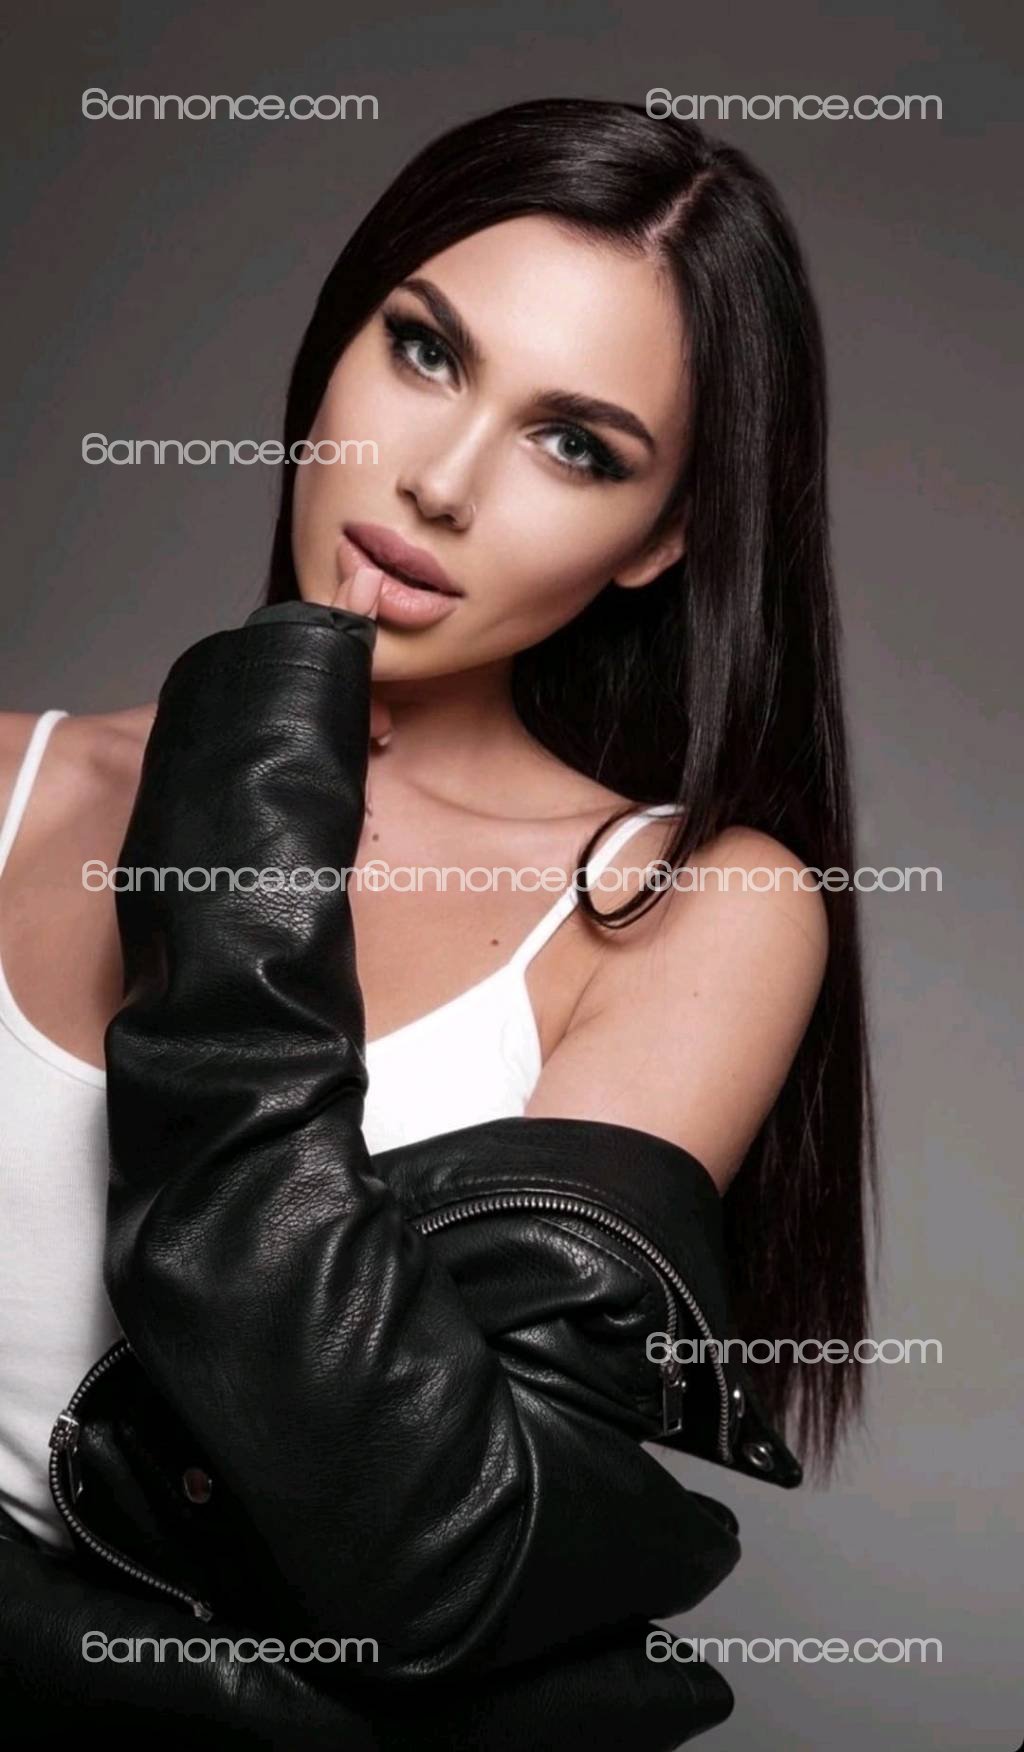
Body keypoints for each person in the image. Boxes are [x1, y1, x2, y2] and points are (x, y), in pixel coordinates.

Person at [0, 96, 875, 1739]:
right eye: (423, 353)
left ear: (662, 537)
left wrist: (249, 821)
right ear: (337, 341)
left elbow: (426, 1548)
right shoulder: (11, 786)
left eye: (576, 445)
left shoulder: (684, 908)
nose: (443, 482)